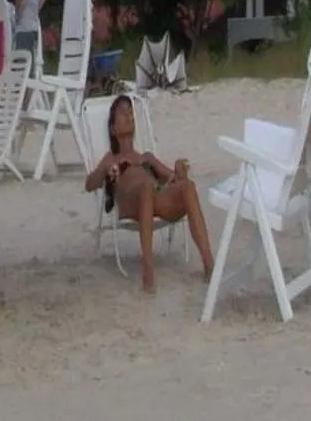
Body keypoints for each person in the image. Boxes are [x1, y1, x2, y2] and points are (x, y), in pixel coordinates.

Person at [83, 93, 214, 294]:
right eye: (123, 113)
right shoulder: (111, 158)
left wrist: (179, 171)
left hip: (156, 198)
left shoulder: (146, 157)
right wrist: (106, 170)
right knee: (146, 187)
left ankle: (209, 265)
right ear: (112, 128)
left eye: (131, 112)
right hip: (131, 203)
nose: (129, 116)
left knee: (188, 187)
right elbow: (89, 184)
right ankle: (148, 272)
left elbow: (173, 179)